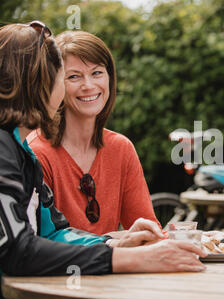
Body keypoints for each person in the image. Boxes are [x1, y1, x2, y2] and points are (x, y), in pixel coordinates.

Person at [0, 21, 207, 296]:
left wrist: (112, 244)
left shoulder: (21, 152)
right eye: (64, 76)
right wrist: (131, 259)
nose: (75, 85)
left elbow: (53, 232)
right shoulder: (6, 150)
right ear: (35, 82)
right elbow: (15, 250)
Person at [28, 30, 161, 237]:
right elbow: (44, 243)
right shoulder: (37, 152)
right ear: (54, 84)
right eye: (73, 76)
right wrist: (115, 240)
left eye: (97, 73)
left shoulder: (121, 148)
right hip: (61, 270)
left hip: (115, 267)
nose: (88, 86)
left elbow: (148, 230)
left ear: (109, 77)